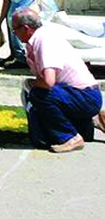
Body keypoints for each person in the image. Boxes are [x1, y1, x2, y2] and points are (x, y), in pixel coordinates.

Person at [13, 8, 104, 153]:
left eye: (15, 30)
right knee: (40, 138)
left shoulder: (43, 41)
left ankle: (70, 137)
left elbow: (48, 82)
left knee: (38, 94)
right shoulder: (38, 39)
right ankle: (87, 124)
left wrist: (29, 84)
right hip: (77, 94)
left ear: (26, 28)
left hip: (85, 96)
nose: (14, 34)